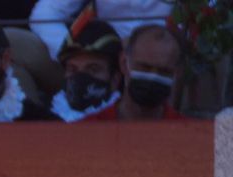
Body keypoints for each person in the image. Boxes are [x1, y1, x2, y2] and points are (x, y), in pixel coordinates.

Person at [84, 22, 185, 119]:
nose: (153, 76)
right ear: (124, 63)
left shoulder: (187, 128)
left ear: (177, 73)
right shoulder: (88, 127)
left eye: (164, 71)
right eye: (144, 67)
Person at [27, 0, 170, 65]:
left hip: (166, 63)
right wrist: (72, 52)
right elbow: (46, 13)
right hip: (104, 63)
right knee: (17, 42)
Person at [51, 12, 122, 120]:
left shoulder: (130, 121)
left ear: (115, 80)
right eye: (72, 69)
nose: (80, 78)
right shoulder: (43, 119)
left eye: (93, 69)